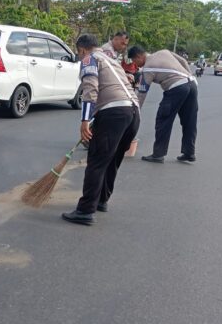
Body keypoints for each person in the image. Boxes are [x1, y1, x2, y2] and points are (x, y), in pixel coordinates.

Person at [61, 34, 140, 226]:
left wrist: (85, 121)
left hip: (114, 113)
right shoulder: (110, 59)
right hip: (133, 113)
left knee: (97, 161)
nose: (80, 57)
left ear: (81, 50)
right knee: (112, 159)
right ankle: (102, 200)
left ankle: (85, 210)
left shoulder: (89, 59)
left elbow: (90, 89)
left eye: (79, 54)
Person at [128, 45, 198, 164]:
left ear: (139, 56)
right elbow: (183, 61)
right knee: (189, 121)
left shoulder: (148, 68)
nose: (135, 64)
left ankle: (158, 154)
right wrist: (188, 75)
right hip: (192, 84)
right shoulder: (164, 52)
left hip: (176, 88)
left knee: (163, 120)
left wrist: (134, 111)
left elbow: (142, 94)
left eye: (135, 61)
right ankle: (189, 153)